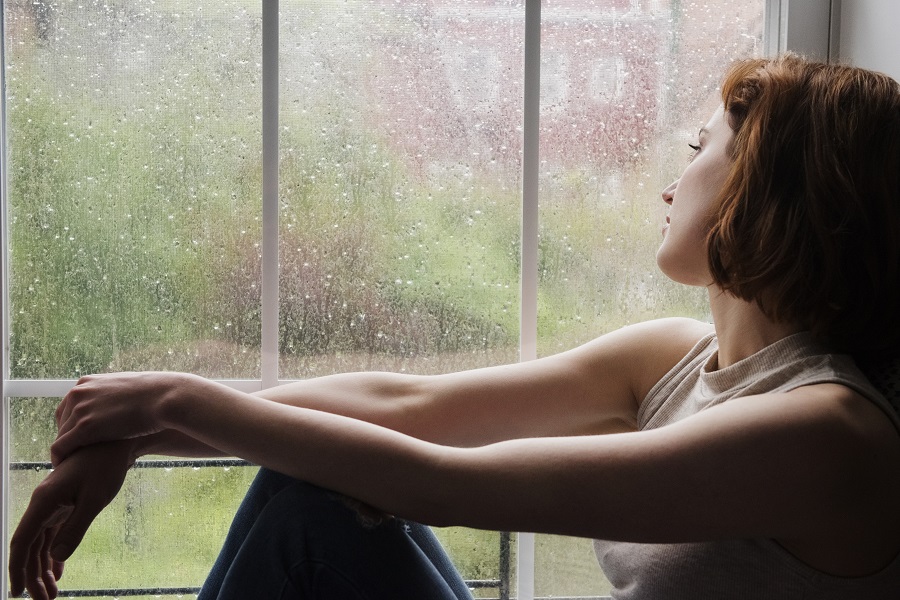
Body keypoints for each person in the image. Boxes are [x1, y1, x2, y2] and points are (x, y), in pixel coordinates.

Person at [9, 53, 900, 600]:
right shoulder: (672, 357)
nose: (674, 180)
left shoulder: (827, 433)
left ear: (771, 189)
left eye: (700, 149)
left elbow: (439, 482)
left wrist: (173, 399)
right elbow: (404, 403)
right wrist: (139, 429)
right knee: (306, 488)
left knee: (315, 498)